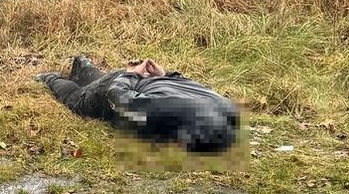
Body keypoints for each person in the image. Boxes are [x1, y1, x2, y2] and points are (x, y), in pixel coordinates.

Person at [36, 55, 239, 152]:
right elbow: (117, 96)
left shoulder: (221, 104)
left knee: (101, 82)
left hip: (149, 80)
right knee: (77, 100)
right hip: (127, 84)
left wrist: (165, 76)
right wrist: (130, 75)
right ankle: (50, 77)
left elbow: (189, 85)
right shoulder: (165, 112)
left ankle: (83, 64)